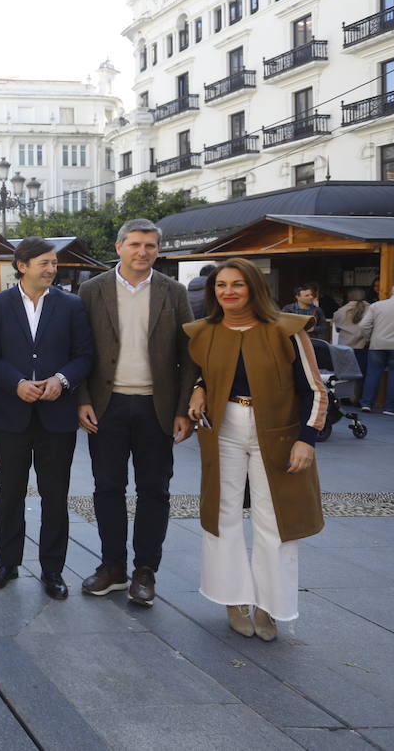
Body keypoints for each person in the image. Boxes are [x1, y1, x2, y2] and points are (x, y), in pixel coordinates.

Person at [185, 258, 325, 641]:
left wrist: (306, 439)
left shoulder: (288, 330)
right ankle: (233, 599)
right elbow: (209, 370)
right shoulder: (206, 332)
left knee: (274, 520)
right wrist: (200, 387)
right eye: (221, 285)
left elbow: (314, 390)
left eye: (237, 284)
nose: (228, 291)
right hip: (223, 430)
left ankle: (269, 606)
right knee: (222, 515)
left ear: (254, 288)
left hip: (278, 434)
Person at [76, 219, 196, 608]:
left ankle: (145, 571)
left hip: (155, 407)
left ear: (158, 250)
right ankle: (113, 566)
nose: (142, 252)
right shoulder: (91, 290)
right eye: (135, 245)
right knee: (107, 488)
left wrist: (183, 409)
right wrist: (82, 399)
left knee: (154, 491)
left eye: (150, 246)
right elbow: (78, 350)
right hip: (106, 405)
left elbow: (188, 354)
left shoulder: (173, 292)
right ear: (119, 246)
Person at [0, 237, 94, 600]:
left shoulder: (72, 305)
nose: (51, 269)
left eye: (53, 263)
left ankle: (52, 569)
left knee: (55, 495)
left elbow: (84, 356)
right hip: (11, 415)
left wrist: (61, 381)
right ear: (21, 265)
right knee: (9, 492)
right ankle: (6, 563)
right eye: (44, 263)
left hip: (57, 417)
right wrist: (15, 383)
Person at [357, 284, 394, 415]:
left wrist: (369, 338)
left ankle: (367, 404)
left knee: (373, 374)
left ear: (391, 292)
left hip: (377, 344)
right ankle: (391, 408)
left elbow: (363, 325)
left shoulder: (376, 305)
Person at [331, 287, 371, 378]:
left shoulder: (340, 312)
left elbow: (337, 329)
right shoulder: (372, 309)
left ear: (348, 297)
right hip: (364, 346)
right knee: (363, 376)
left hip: (345, 347)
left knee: (346, 377)